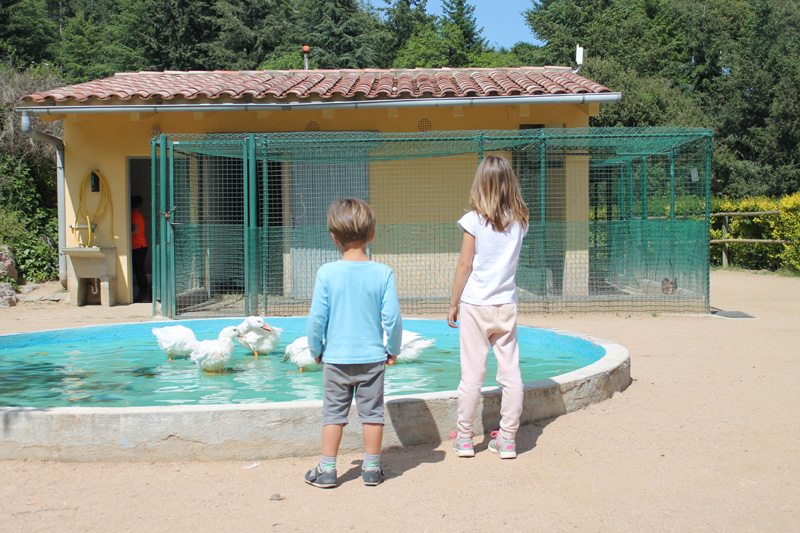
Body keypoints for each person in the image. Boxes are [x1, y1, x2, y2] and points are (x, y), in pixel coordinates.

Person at [304, 198, 403, 488]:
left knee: (333, 414)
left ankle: (327, 470)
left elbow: (316, 321)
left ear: (333, 237)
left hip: (335, 359)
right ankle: (371, 469)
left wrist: (316, 349)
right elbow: (393, 319)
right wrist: (393, 349)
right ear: (372, 234)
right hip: (372, 358)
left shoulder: (326, 273)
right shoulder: (383, 272)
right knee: (373, 413)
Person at [447, 155, 529, 459]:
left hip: (475, 305)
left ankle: (465, 438)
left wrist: (453, 303)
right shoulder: (521, 220)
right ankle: (507, 439)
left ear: (480, 183)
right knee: (511, 374)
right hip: (505, 305)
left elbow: (465, 265)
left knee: (472, 375)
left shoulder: (473, 220)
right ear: (510, 183)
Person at [130, 195, 149, 302]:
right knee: (138, 271)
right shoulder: (136, 213)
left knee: (139, 271)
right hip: (138, 246)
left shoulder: (135, 214)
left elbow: (135, 231)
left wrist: (125, 236)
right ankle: (143, 294)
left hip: (138, 246)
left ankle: (144, 294)